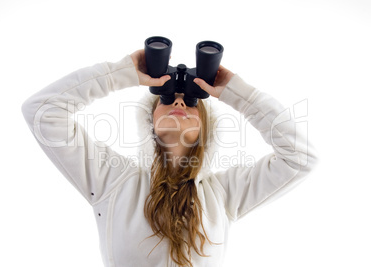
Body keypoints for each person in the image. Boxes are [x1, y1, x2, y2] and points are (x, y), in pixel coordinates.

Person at [22, 48, 318, 267]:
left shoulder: (225, 193)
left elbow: (300, 157)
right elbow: (43, 113)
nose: (178, 100)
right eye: (166, 98)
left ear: (204, 126)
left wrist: (236, 93)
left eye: (190, 101)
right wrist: (121, 74)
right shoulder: (111, 181)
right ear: (151, 120)